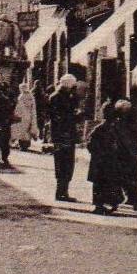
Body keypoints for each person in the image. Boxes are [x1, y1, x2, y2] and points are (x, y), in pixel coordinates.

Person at [48, 74, 81, 202]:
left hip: (61, 136)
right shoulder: (60, 98)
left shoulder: (59, 97)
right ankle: (62, 192)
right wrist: (76, 116)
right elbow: (63, 118)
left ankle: (62, 192)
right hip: (64, 135)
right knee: (65, 164)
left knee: (64, 164)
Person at [86, 103, 124, 214]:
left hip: (102, 161)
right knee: (107, 182)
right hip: (105, 161)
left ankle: (103, 204)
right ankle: (106, 204)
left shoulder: (101, 128)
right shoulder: (110, 128)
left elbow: (90, 144)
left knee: (102, 183)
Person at [113, 98, 137, 211]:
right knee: (130, 177)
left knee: (129, 177)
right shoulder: (121, 123)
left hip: (128, 152)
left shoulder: (120, 122)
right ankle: (135, 201)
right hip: (127, 152)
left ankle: (130, 199)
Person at [14, 80, 38, 150]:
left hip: (22, 116)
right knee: (28, 130)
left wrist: (16, 114)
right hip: (30, 115)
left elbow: (18, 107)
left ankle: (22, 145)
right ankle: (26, 144)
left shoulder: (21, 96)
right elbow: (33, 106)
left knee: (22, 130)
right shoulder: (31, 96)